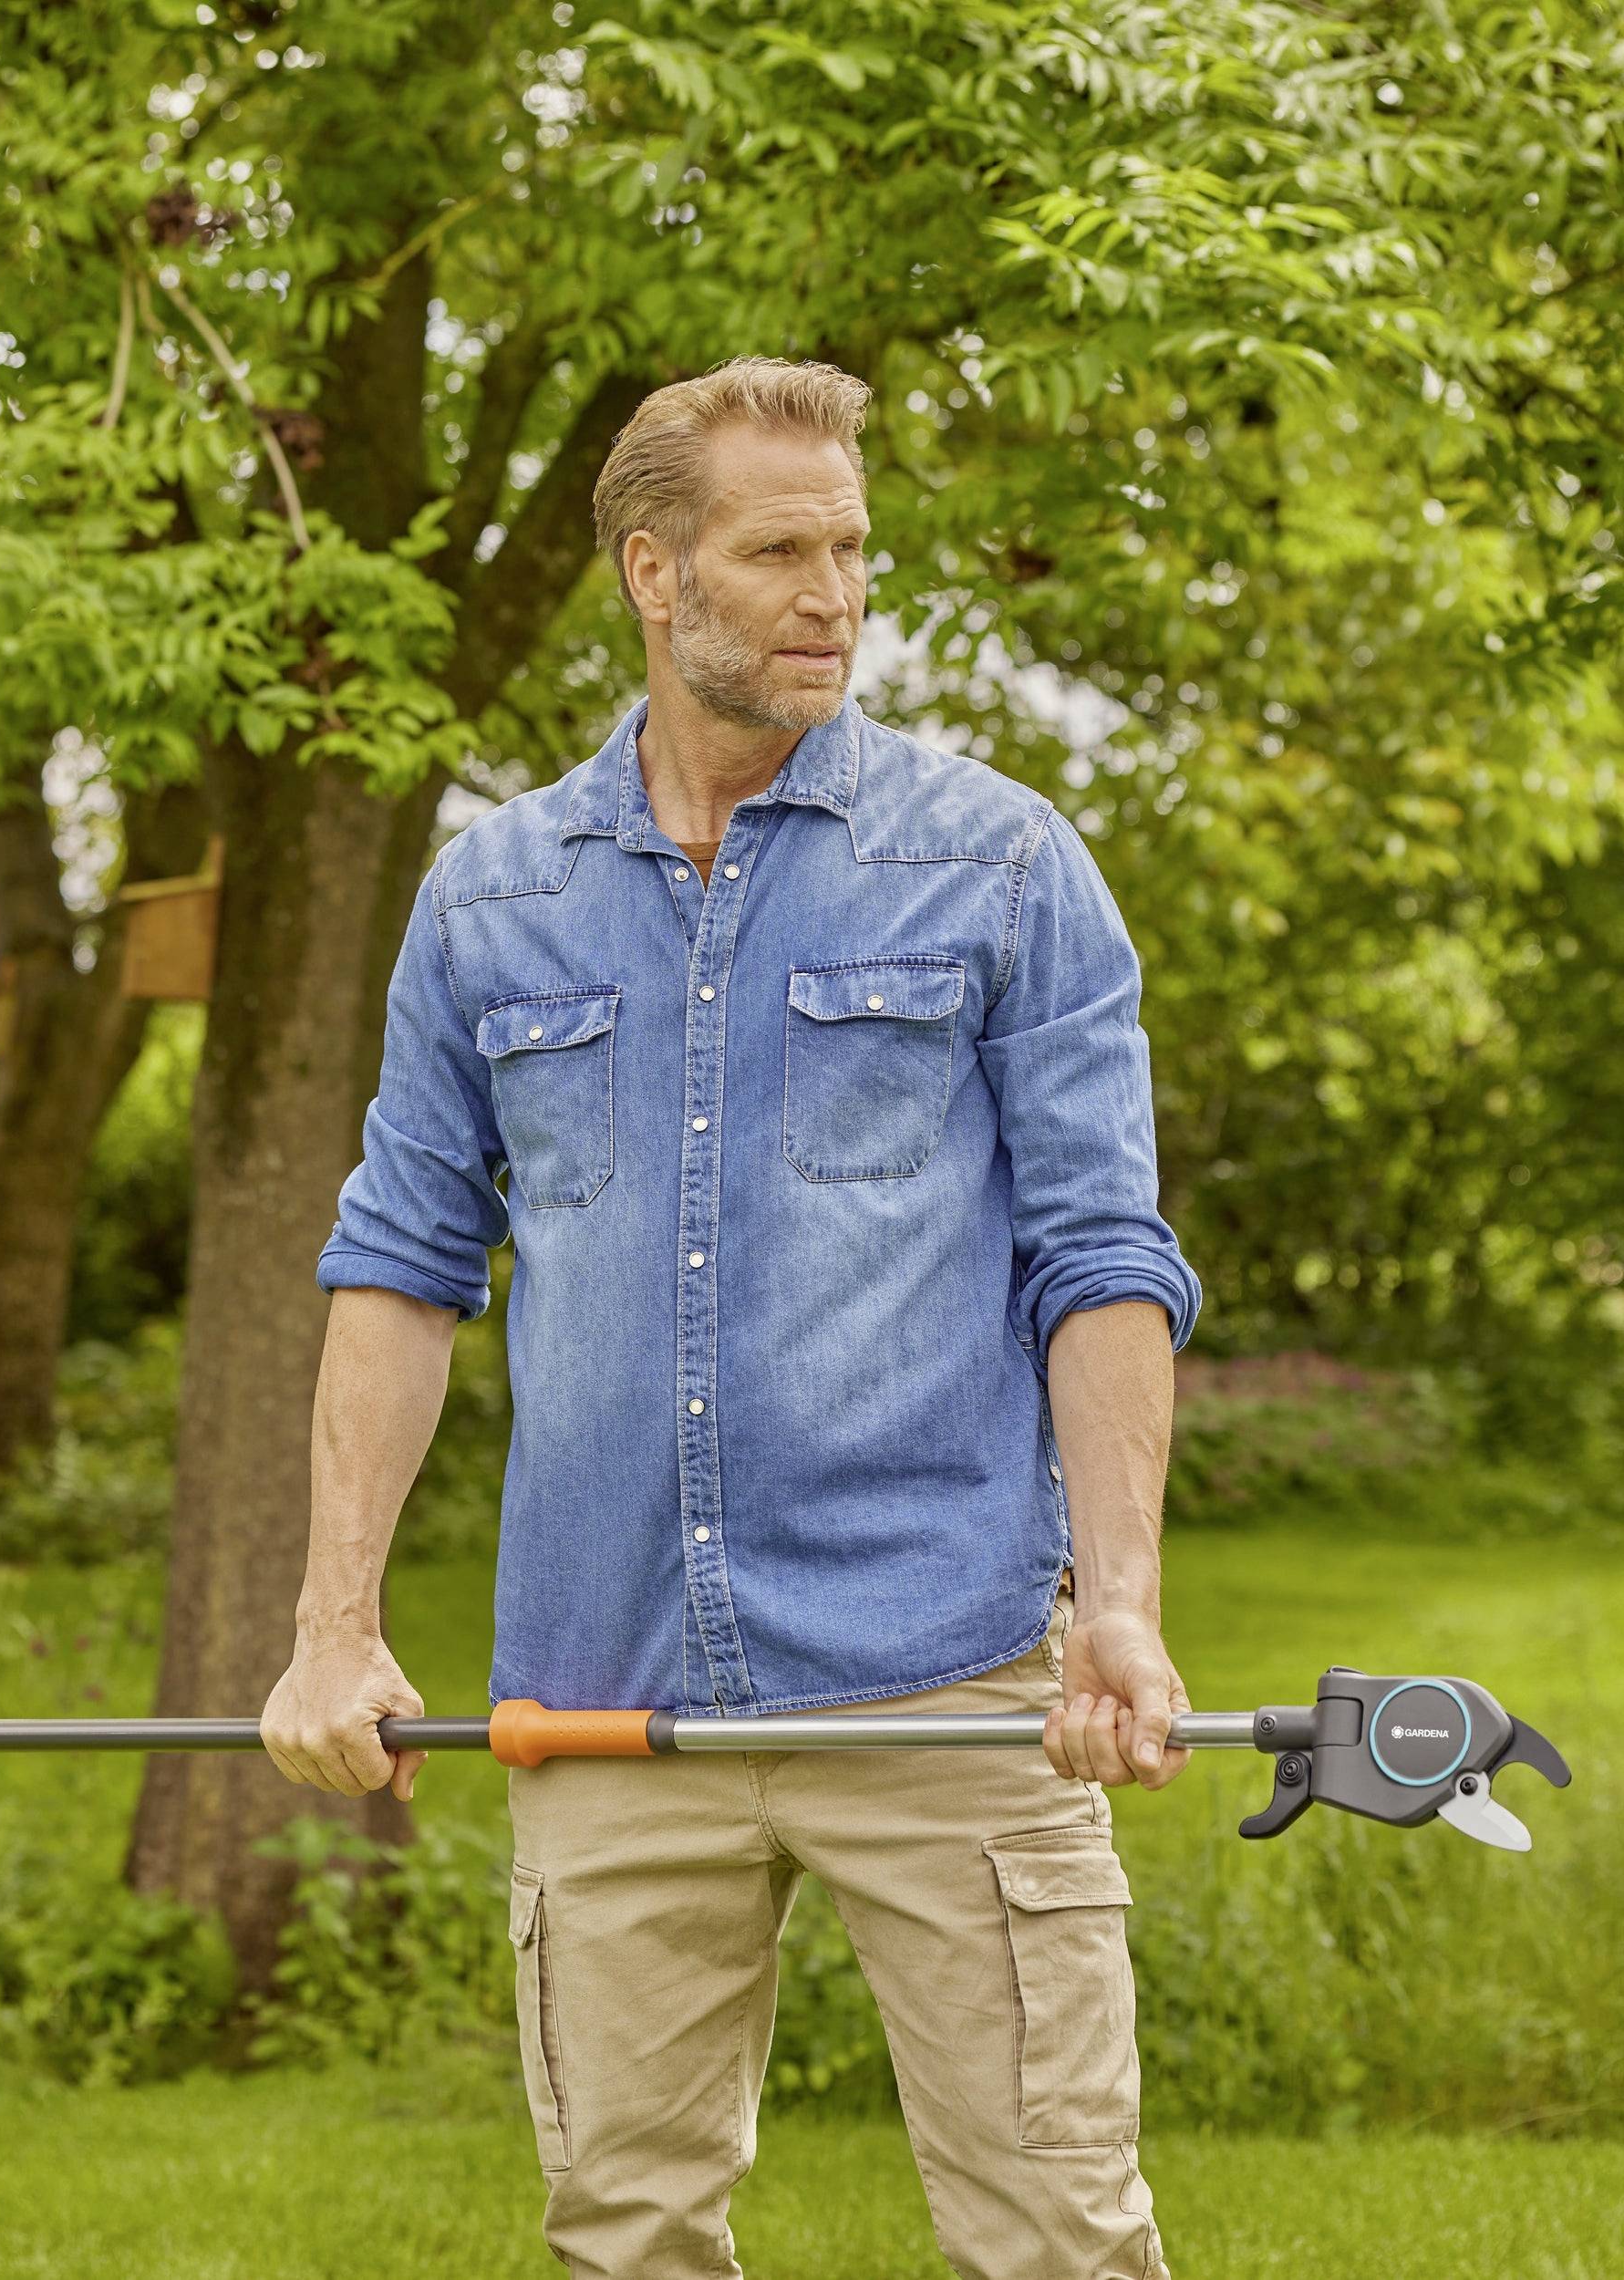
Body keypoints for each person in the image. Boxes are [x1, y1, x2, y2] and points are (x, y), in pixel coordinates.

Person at [264, 356, 1202, 2280]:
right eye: (780, 549)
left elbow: (1100, 1255)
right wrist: (330, 1624)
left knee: (1057, 2238)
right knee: (623, 2240)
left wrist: (1116, 1597)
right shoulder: (489, 899)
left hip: (938, 1672)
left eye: (852, 550)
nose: (832, 595)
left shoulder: (999, 863)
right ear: (649, 571)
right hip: (608, 1687)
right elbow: (397, 1266)